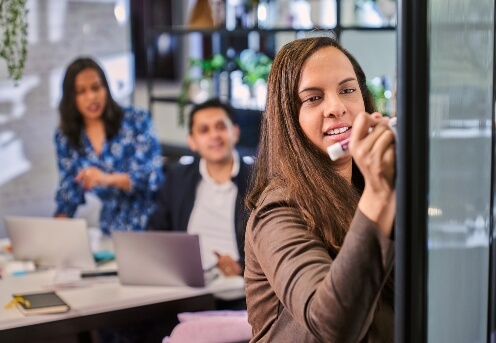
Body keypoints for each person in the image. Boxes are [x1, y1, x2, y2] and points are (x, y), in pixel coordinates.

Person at [244, 36, 396, 342]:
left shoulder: (370, 186)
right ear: (288, 118)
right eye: (313, 98)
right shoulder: (278, 211)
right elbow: (333, 327)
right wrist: (380, 194)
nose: (337, 108)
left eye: (348, 90)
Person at [53, 57, 164, 234]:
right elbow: (69, 193)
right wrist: (52, 236)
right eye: (81, 91)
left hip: (151, 225)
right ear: (70, 98)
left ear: (106, 88)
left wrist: (106, 178)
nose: (92, 97)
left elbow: (152, 177)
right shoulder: (66, 137)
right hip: (111, 230)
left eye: (96, 88)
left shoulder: (137, 120)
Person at [147, 98, 253, 278]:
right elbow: (156, 230)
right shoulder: (178, 177)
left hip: (240, 284)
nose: (214, 136)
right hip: (187, 282)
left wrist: (242, 268)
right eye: (204, 130)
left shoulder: (259, 180)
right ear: (192, 141)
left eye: (221, 127)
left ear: (235, 132)